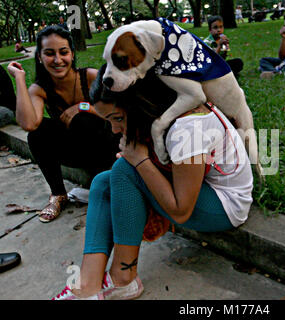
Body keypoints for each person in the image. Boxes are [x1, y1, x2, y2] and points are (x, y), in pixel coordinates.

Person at [51, 64, 253, 300]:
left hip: (225, 205)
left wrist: (140, 161)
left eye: (117, 118)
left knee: (125, 170)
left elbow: (180, 212)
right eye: (109, 121)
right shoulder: (164, 114)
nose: (115, 129)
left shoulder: (187, 127)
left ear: (140, 104)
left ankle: (122, 278)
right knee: (103, 183)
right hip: (201, 188)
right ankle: (89, 281)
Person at [7, 26, 119, 223]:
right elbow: (29, 124)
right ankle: (58, 194)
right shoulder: (40, 89)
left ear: (72, 54)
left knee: (82, 119)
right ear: (40, 57)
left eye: (63, 52)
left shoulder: (91, 76)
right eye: (49, 54)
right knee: (38, 134)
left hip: (107, 148)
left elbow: (119, 115)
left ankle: (103, 186)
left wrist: (83, 106)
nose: (58, 60)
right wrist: (20, 79)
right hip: (75, 152)